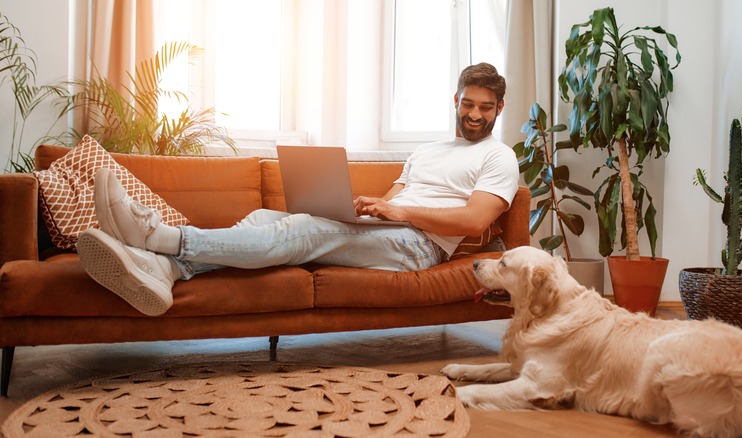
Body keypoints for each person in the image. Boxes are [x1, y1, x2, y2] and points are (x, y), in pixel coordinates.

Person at [77, 62, 521, 316]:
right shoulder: (427, 150)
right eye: (467, 103)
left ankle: (158, 238)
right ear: (455, 99)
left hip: (419, 247)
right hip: (389, 232)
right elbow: (394, 197)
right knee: (264, 219)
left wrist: (399, 213)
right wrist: (371, 208)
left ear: (499, 108)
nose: (475, 114)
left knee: (305, 230)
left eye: (485, 107)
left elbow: (475, 220)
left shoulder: (498, 157)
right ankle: (169, 271)